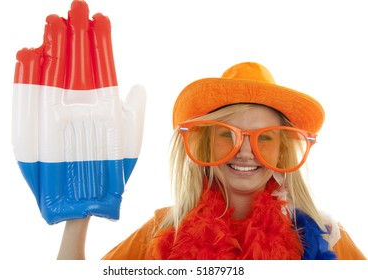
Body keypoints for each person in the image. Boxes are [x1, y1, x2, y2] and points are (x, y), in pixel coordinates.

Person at [57, 62, 366, 260]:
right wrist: (77, 222)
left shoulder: (324, 237)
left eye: (265, 137)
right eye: (227, 135)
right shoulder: (164, 231)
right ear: (204, 144)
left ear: (282, 152)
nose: (245, 151)